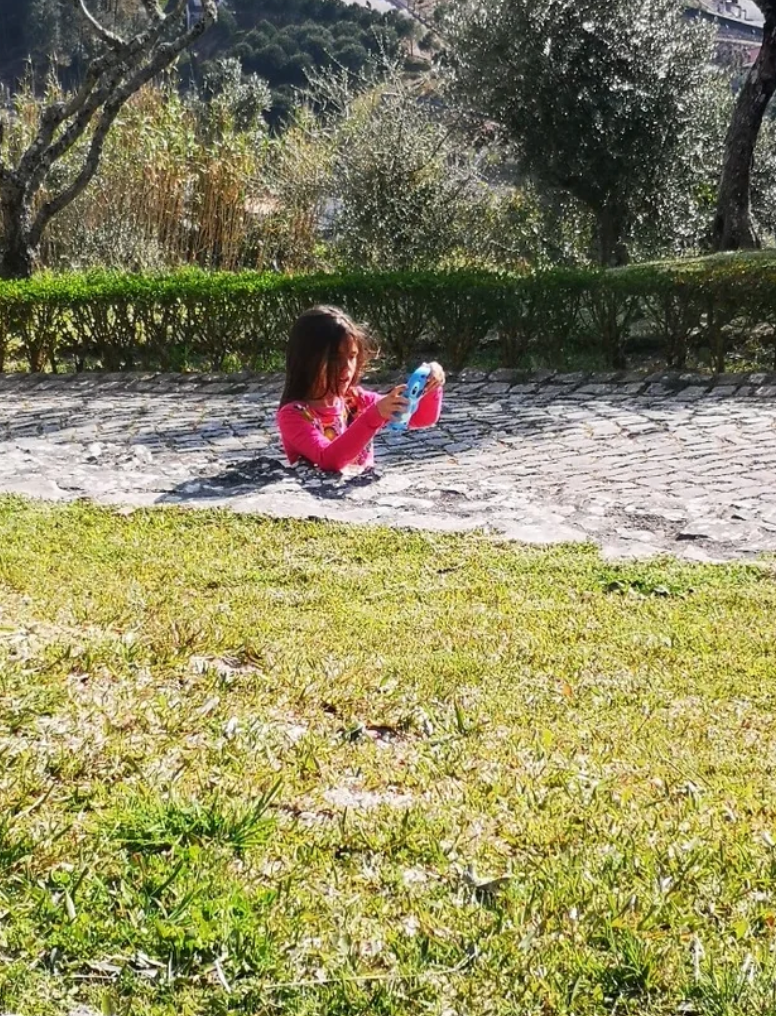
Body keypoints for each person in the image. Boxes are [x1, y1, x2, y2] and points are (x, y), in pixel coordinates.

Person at [276, 305, 444, 472]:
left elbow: (422, 418)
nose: (347, 368)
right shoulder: (293, 415)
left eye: (352, 357)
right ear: (307, 361)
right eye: (335, 359)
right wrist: (373, 416)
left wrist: (431, 385)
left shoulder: (356, 400)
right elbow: (328, 460)